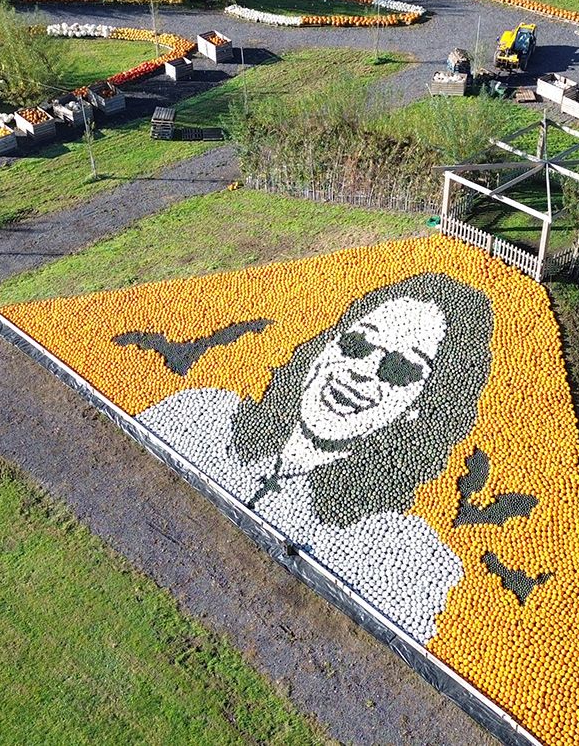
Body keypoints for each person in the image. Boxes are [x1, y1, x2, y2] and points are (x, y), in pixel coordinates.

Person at [136, 272, 494, 644]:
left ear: (418, 408)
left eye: (400, 369)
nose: (362, 371)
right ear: (326, 346)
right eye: (356, 344)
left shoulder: (409, 554)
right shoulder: (205, 411)